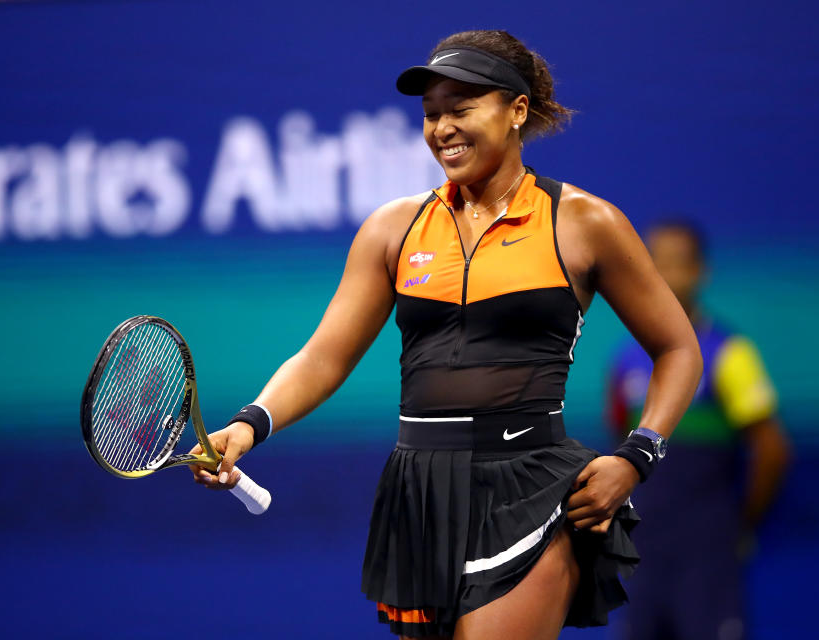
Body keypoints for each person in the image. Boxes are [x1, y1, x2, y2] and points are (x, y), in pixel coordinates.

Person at [190, 30, 703, 640]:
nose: (442, 129)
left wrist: (638, 455)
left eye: (461, 109)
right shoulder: (392, 228)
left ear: (517, 111)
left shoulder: (585, 221)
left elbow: (678, 350)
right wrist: (249, 424)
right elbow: (325, 356)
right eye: (431, 114)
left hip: (531, 486)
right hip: (419, 489)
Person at [607, 221, 791, 640]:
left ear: (700, 272)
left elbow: (772, 451)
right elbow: (620, 445)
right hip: (642, 552)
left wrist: (738, 525)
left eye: (676, 264)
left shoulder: (731, 354)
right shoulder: (625, 360)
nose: (664, 276)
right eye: (653, 263)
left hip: (708, 552)